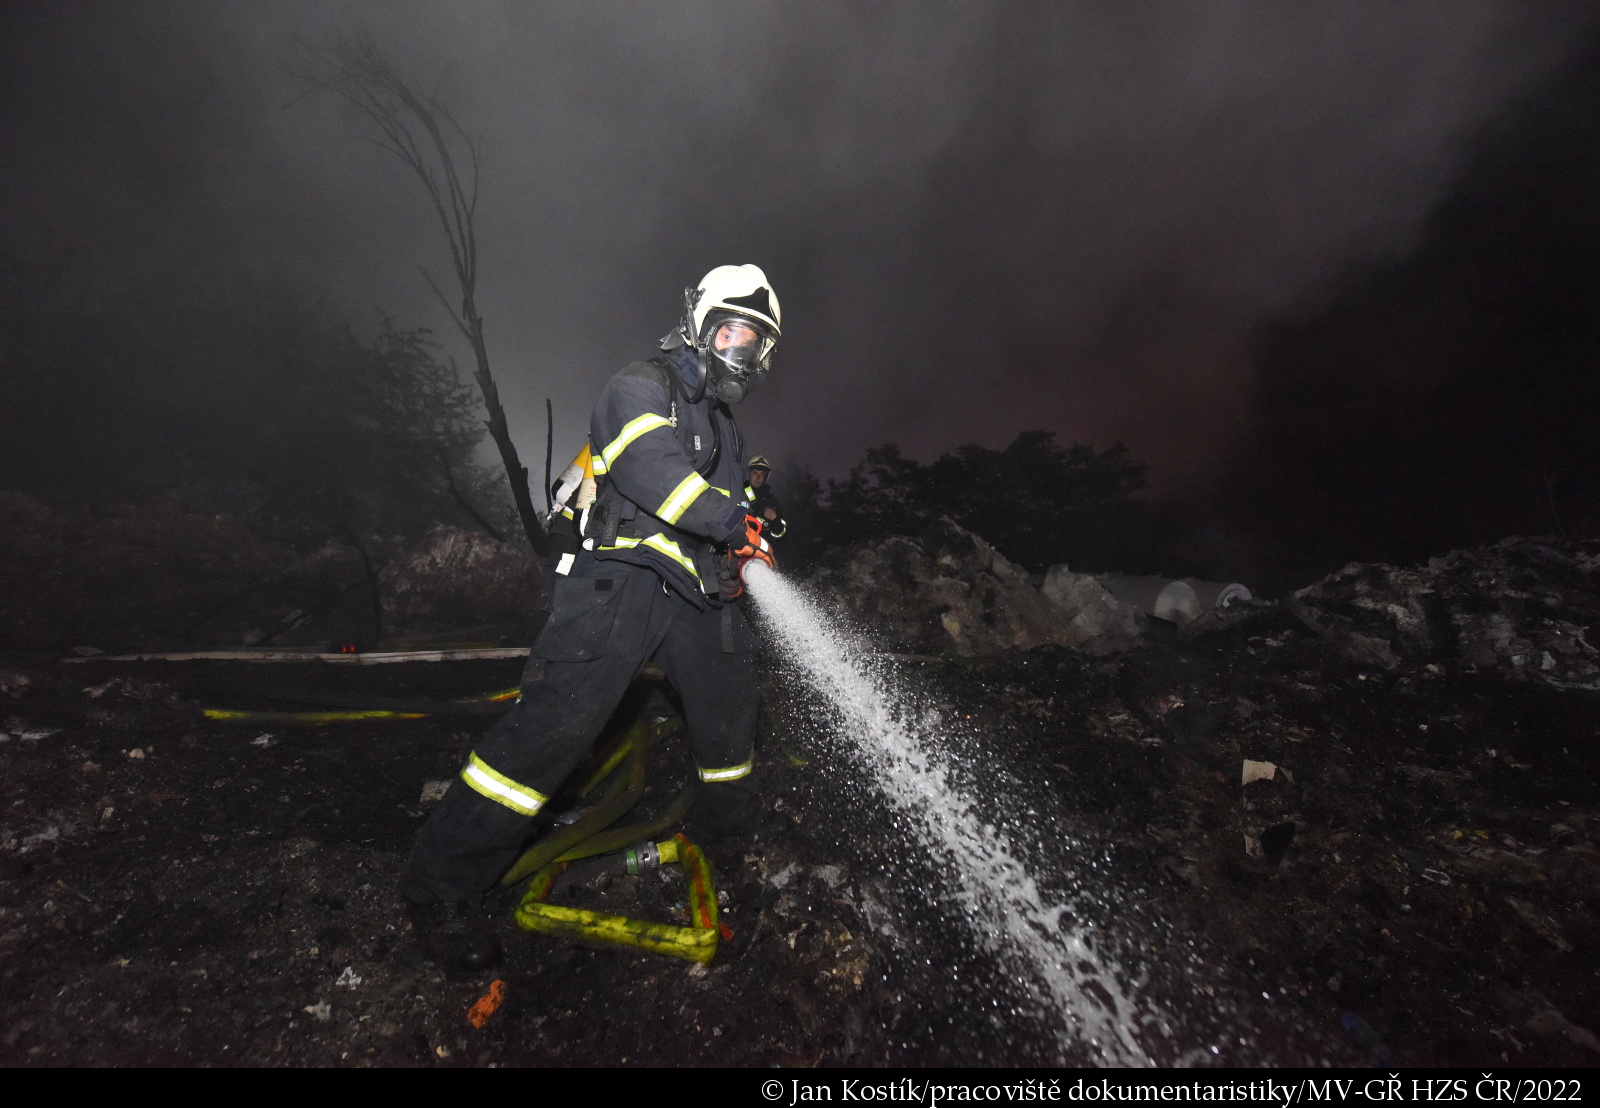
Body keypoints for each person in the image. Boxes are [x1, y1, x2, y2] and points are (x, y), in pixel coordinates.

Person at [401, 265, 781, 974]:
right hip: (620, 578)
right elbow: (649, 467)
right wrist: (733, 522)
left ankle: (732, 840)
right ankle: (439, 887)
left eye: (753, 342)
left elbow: (718, 521)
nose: (741, 350)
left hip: (698, 593)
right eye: (731, 331)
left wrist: (741, 564)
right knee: (556, 728)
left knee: (731, 715)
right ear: (700, 325)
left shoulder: (725, 428)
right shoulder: (641, 385)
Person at [744, 456, 787, 542]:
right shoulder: (737, 491)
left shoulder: (770, 500)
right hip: (732, 547)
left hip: (757, 551)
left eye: (762, 474)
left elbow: (781, 535)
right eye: (755, 472)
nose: (758, 477)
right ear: (748, 474)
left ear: (765, 478)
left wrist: (774, 519)